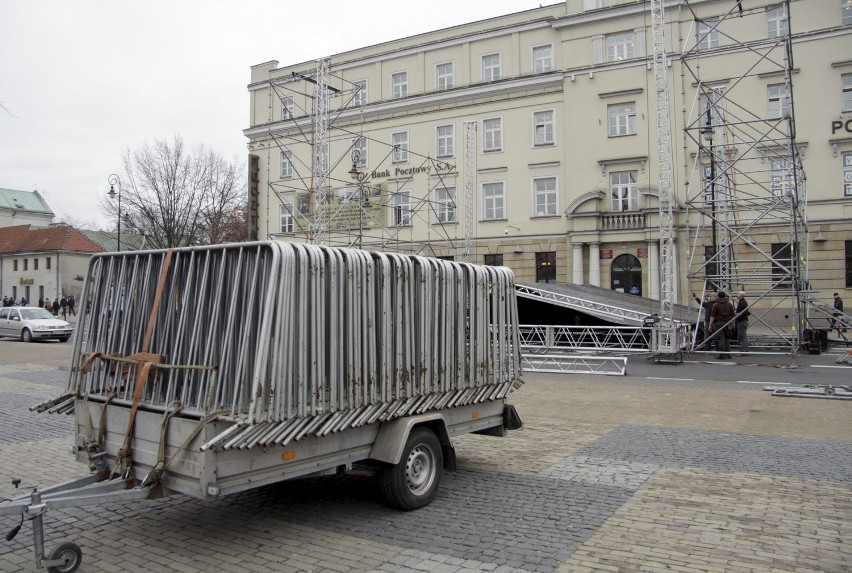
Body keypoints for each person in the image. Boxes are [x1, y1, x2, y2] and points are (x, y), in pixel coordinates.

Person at [709, 290, 735, 359]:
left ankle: (721, 354)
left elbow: (712, 316)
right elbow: (733, 315)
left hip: (718, 323)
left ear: (718, 297)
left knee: (720, 339)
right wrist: (733, 323)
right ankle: (728, 354)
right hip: (728, 323)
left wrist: (710, 325)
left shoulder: (716, 304)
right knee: (727, 338)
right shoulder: (729, 304)